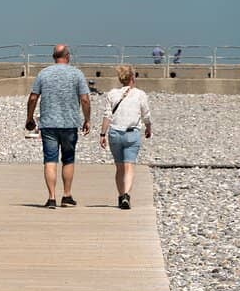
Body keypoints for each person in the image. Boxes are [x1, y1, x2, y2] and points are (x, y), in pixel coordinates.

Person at [25, 44, 91, 209]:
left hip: (48, 124)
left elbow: (33, 98)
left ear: (54, 57)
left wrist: (29, 118)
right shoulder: (76, 74)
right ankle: (67, 195)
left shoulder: (44, 73)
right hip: (69, 124)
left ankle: (52, 197)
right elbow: (84, 99)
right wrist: (87, 119)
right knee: (68, 159)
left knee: (50, 160)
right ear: (67, 56)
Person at [99, 65, 152, 209]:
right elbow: (145, 114)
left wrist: (102, 134)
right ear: (132, 77)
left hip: (115, 133)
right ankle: (126, 195)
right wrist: (148, 127)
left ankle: (121, 195)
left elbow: (107, 115)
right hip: (132, 133)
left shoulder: (112, 93)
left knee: (119, 167)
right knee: (129, 166)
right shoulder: (140, 94)